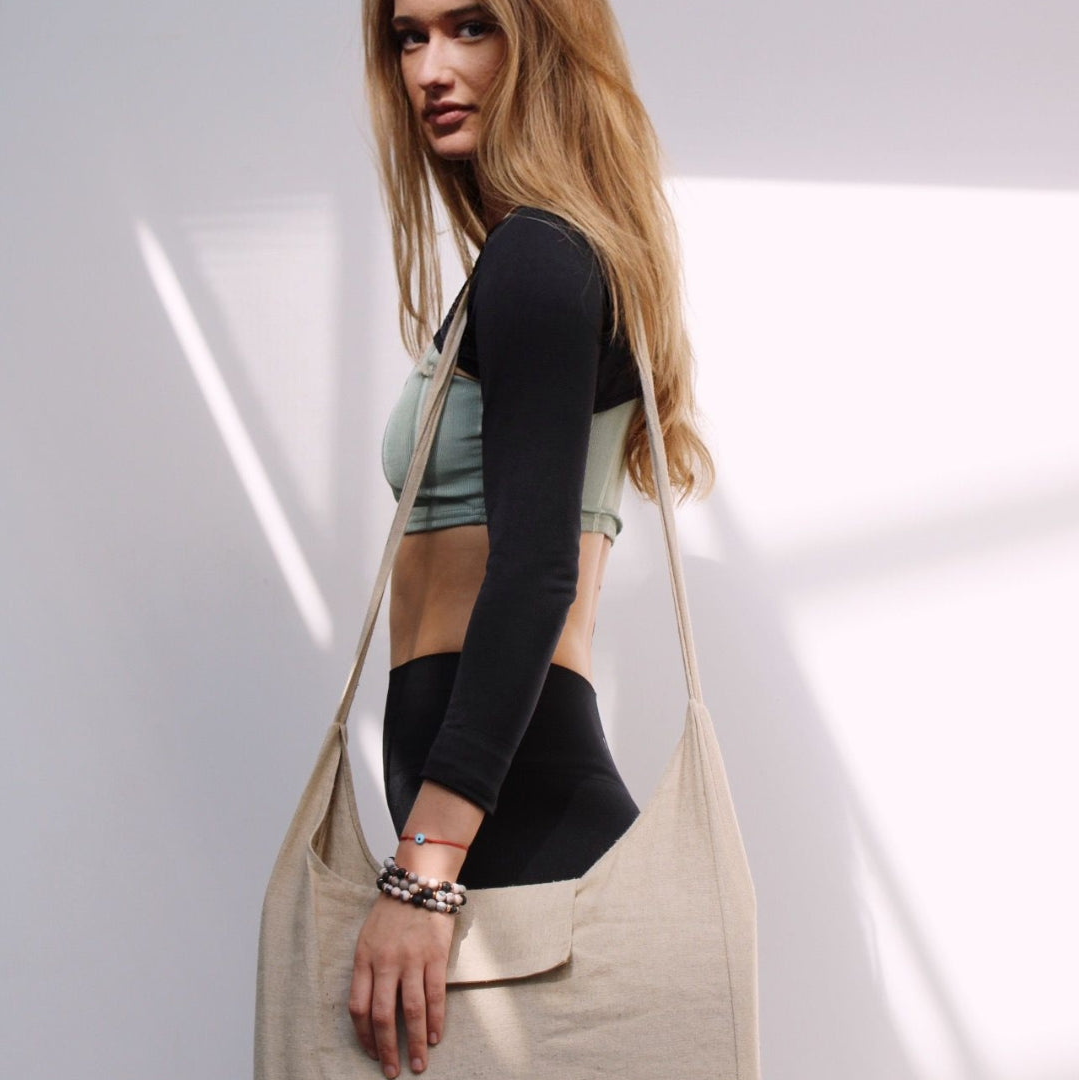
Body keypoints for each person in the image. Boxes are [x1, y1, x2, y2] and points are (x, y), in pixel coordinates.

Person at [350, 0, 715, 1076]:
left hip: (520, 822)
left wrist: (426, 866)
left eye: (470, 27)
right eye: (408, 38)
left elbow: (536, 571)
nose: (432, 68)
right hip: (515, 814)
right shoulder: (530, 260)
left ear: (544, 42)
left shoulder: (542, 259)